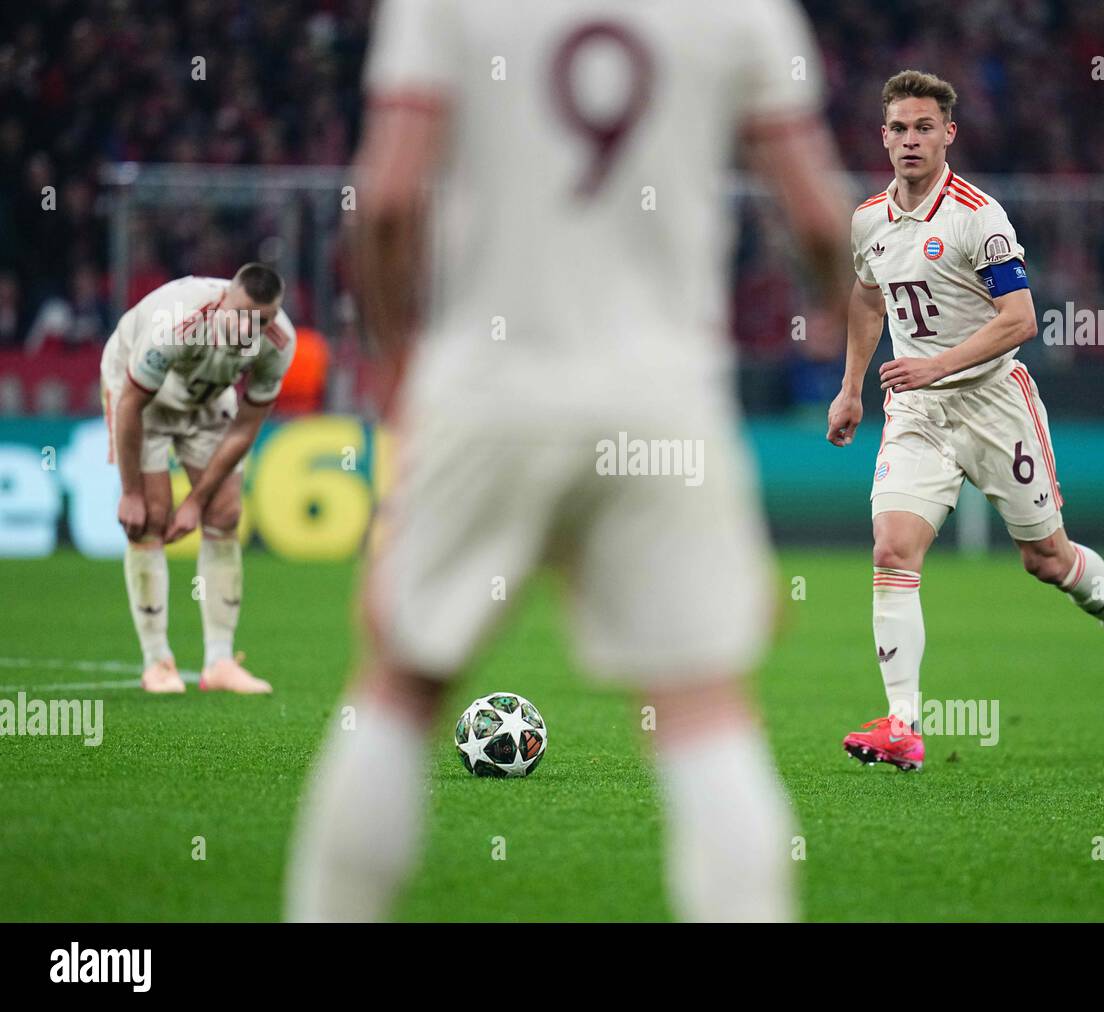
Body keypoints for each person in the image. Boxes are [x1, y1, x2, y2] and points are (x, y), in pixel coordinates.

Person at [286, 0, 850, 922]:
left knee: (400, 684)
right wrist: (843, 307)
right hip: (664, 392)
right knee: (702, 708)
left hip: (488, 382)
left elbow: (385, 200)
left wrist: (401, 364)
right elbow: (821, 219)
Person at [829, 71, 1104, 772]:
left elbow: (1020, 320)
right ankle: (903, 724)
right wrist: (851, 386)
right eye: (898, 128)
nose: (910, 140)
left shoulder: (980, 217)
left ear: (949, 134)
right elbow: (865, 297)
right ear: (882, 135)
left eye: (924, 128)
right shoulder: (868, 221)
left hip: (993, 404)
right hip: (915, 409)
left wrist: (936, 363)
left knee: (1047, 561)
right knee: (892, 549)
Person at [102, 263, 296, 694]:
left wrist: (196, 500)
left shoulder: (279, 342)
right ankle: (157, 663)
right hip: (142, 401)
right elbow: (131, 404)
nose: (253, 327)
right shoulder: (175, 322)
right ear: (226, 296)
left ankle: (220, 662)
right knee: (148, 518)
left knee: (224, 513)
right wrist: (130, 491)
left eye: (263, 319)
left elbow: (247, 425)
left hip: (207, 401)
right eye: (244, 313)